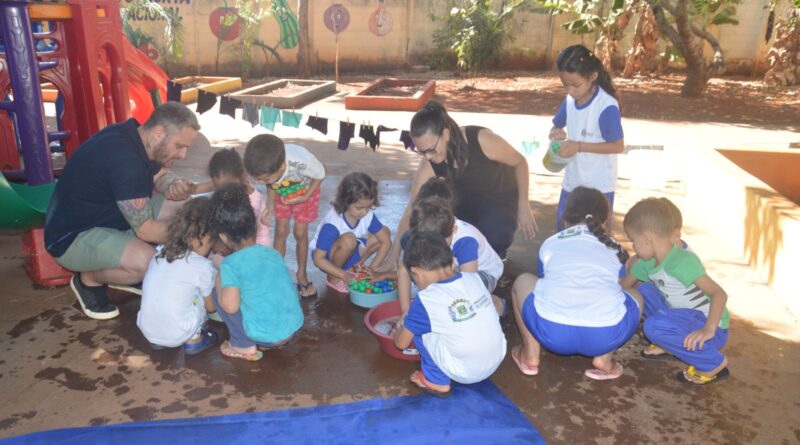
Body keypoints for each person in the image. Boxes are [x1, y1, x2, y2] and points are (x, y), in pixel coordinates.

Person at [45, 102, 200, 319]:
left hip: (109, 219)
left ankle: (125, 266)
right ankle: (89, 279)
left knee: (187, 206)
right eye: (179, 146)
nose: (183, 155)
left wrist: (172, 184)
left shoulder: (136, 136)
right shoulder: (126, 160)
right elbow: (146, 231)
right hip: (73, 238)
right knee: (149, 264)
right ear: (159, 133)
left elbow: (161, 175)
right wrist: (194, 235)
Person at [383, 100, 537, 272]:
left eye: (431, 149)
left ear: (446, 134)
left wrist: (524, 204)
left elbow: (520, 162)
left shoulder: (481, 140)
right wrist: (394, 256)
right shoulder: (430, 161)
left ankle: (496, 259)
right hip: (467, 205)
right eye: (422, 151)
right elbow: (411, 208)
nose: (427, 157)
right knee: (440, 228)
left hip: (499, 202)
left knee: (491, 236)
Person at [511, 187, 641, 380]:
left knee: (523, 281)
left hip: (553, 334)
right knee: (635, 294)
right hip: (604, 336)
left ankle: (530, 355)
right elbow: (619, 285)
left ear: (565, 220)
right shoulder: (616, 247)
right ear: (605, 223)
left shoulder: (551, 243)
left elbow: (542, 281)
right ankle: (605, 359)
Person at [621, 198, 730, 385]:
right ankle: (671, 343)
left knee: (653, 327)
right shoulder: (646, 262)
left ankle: (713, 363)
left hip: (708, 326)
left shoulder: (682, 262)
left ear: (647, 238)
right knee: (645, 290)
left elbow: (719, 294)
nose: (633, 247)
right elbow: (624, 286)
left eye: (634, 241)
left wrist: (708, 329)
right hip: (682, 317)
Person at [393, 232, 506, 397]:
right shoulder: (473, 278)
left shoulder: (426, 299)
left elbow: (401, 344)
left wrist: (399, 330)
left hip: (466, 372)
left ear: (416, 271)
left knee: (417, 328)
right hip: (496, 359)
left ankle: (436, 381)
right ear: (452, 261)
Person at [209, 184, 303, 362]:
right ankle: (273, 335)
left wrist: (221, 272)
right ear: (254, 227)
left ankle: (242, 344)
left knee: (218, 291)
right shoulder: (272, 252)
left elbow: (230, 307)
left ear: (223, 237)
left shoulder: (230, 265)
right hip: (291, 328)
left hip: (265, 337)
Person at [549, 44, 625, 231]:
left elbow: (617, 146)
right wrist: (555, 133)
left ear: (592, 76)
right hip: (573, 182)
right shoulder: (569, 100)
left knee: (597, 236)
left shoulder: (606, 106)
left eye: (575, 85)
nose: (570, 91)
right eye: (565, 85)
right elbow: (556, 126)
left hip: (599, 186)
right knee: (565, 230)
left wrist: (579, 146)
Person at [243, 134, 325, 299]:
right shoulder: (269, 167)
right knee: (281, 231)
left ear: (281, 167)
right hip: (283, 192)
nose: (259, 182)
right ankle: (277, 273)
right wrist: (270, 205)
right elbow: (271, 183)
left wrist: (305, 197)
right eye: (256, 179)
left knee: (300, 233)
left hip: (305, 192)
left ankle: (301, 275)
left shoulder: (301, 162)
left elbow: (320, 174)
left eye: (263, 179)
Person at [136, 197, 218, 354]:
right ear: (204, 237)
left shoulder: (160, 252)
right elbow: (211, 307)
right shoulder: (202, 266)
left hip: (147, 330)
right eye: (210, 243)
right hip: (179, 331)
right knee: (200, 292)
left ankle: (160, 339)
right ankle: (194, 340)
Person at [398, 197, 504, 316]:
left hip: (482, 273)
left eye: (440, 243)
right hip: (452, 267)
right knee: (424, 271)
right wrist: (406, 312)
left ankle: (495, 303)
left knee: (461, 304)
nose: (433, 248)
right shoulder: (417, 235)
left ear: (454, 230)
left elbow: (470, 285)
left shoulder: (465, 241)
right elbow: (404, 270)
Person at [310, 172, 391, 294]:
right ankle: (334, 277)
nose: (364, 212)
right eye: (359, 208)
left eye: (368, 207)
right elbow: (318, 259)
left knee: (384, 232)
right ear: (346, 202)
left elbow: (386, 241)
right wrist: (344, 275)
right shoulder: (333, 224)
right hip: (327, 258)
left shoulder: (367, 214)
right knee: (349, 239)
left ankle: (355, 267)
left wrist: (372, 271)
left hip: (349, 250)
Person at [195, 147, 271, 247]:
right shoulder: (230, 185)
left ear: (240, 177)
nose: (222, 192)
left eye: (225, 187)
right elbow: (203, 187)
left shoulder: (253, 200)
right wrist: (191, 189)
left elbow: (249, 239)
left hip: (255, 247)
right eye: (218, 187)